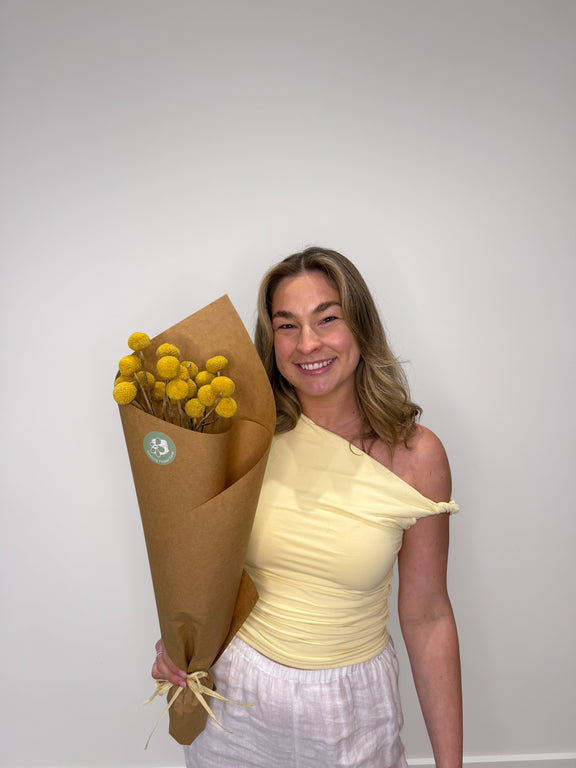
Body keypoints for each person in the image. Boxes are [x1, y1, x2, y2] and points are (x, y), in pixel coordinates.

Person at [153, 246, 463, 768]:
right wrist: (178, 641)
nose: (308, 343)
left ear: (360, 325)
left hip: (352, 710)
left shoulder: (418, 456)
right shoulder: (241, 435)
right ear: (270, 338)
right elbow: (204, 571)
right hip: (234, 700)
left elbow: (428, 616)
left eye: (327, 318)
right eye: (287, 325)